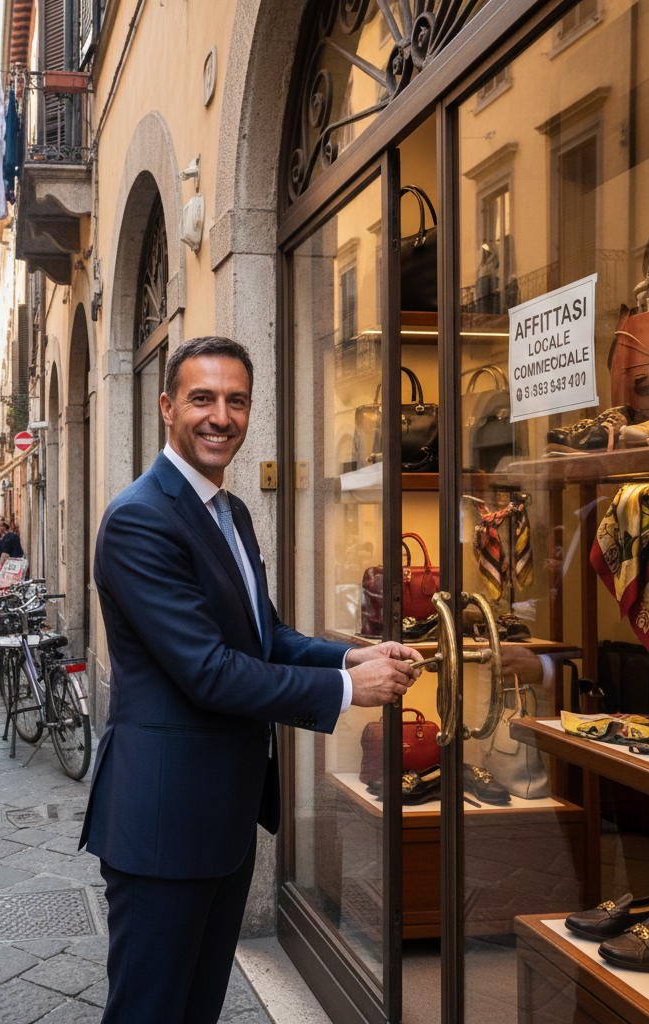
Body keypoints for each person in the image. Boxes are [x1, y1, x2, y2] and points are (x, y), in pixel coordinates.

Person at [79, 336, 421, 1024]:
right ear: (168, 407)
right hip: (163, 825)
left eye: (236, 400)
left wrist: (346, 658)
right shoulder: (140, 518)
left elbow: (264, 638)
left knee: (196, 1009)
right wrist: (352, 694)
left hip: (221, 819)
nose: (220, 416)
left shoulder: (228, 512)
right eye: (203, 398)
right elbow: (208, 671)